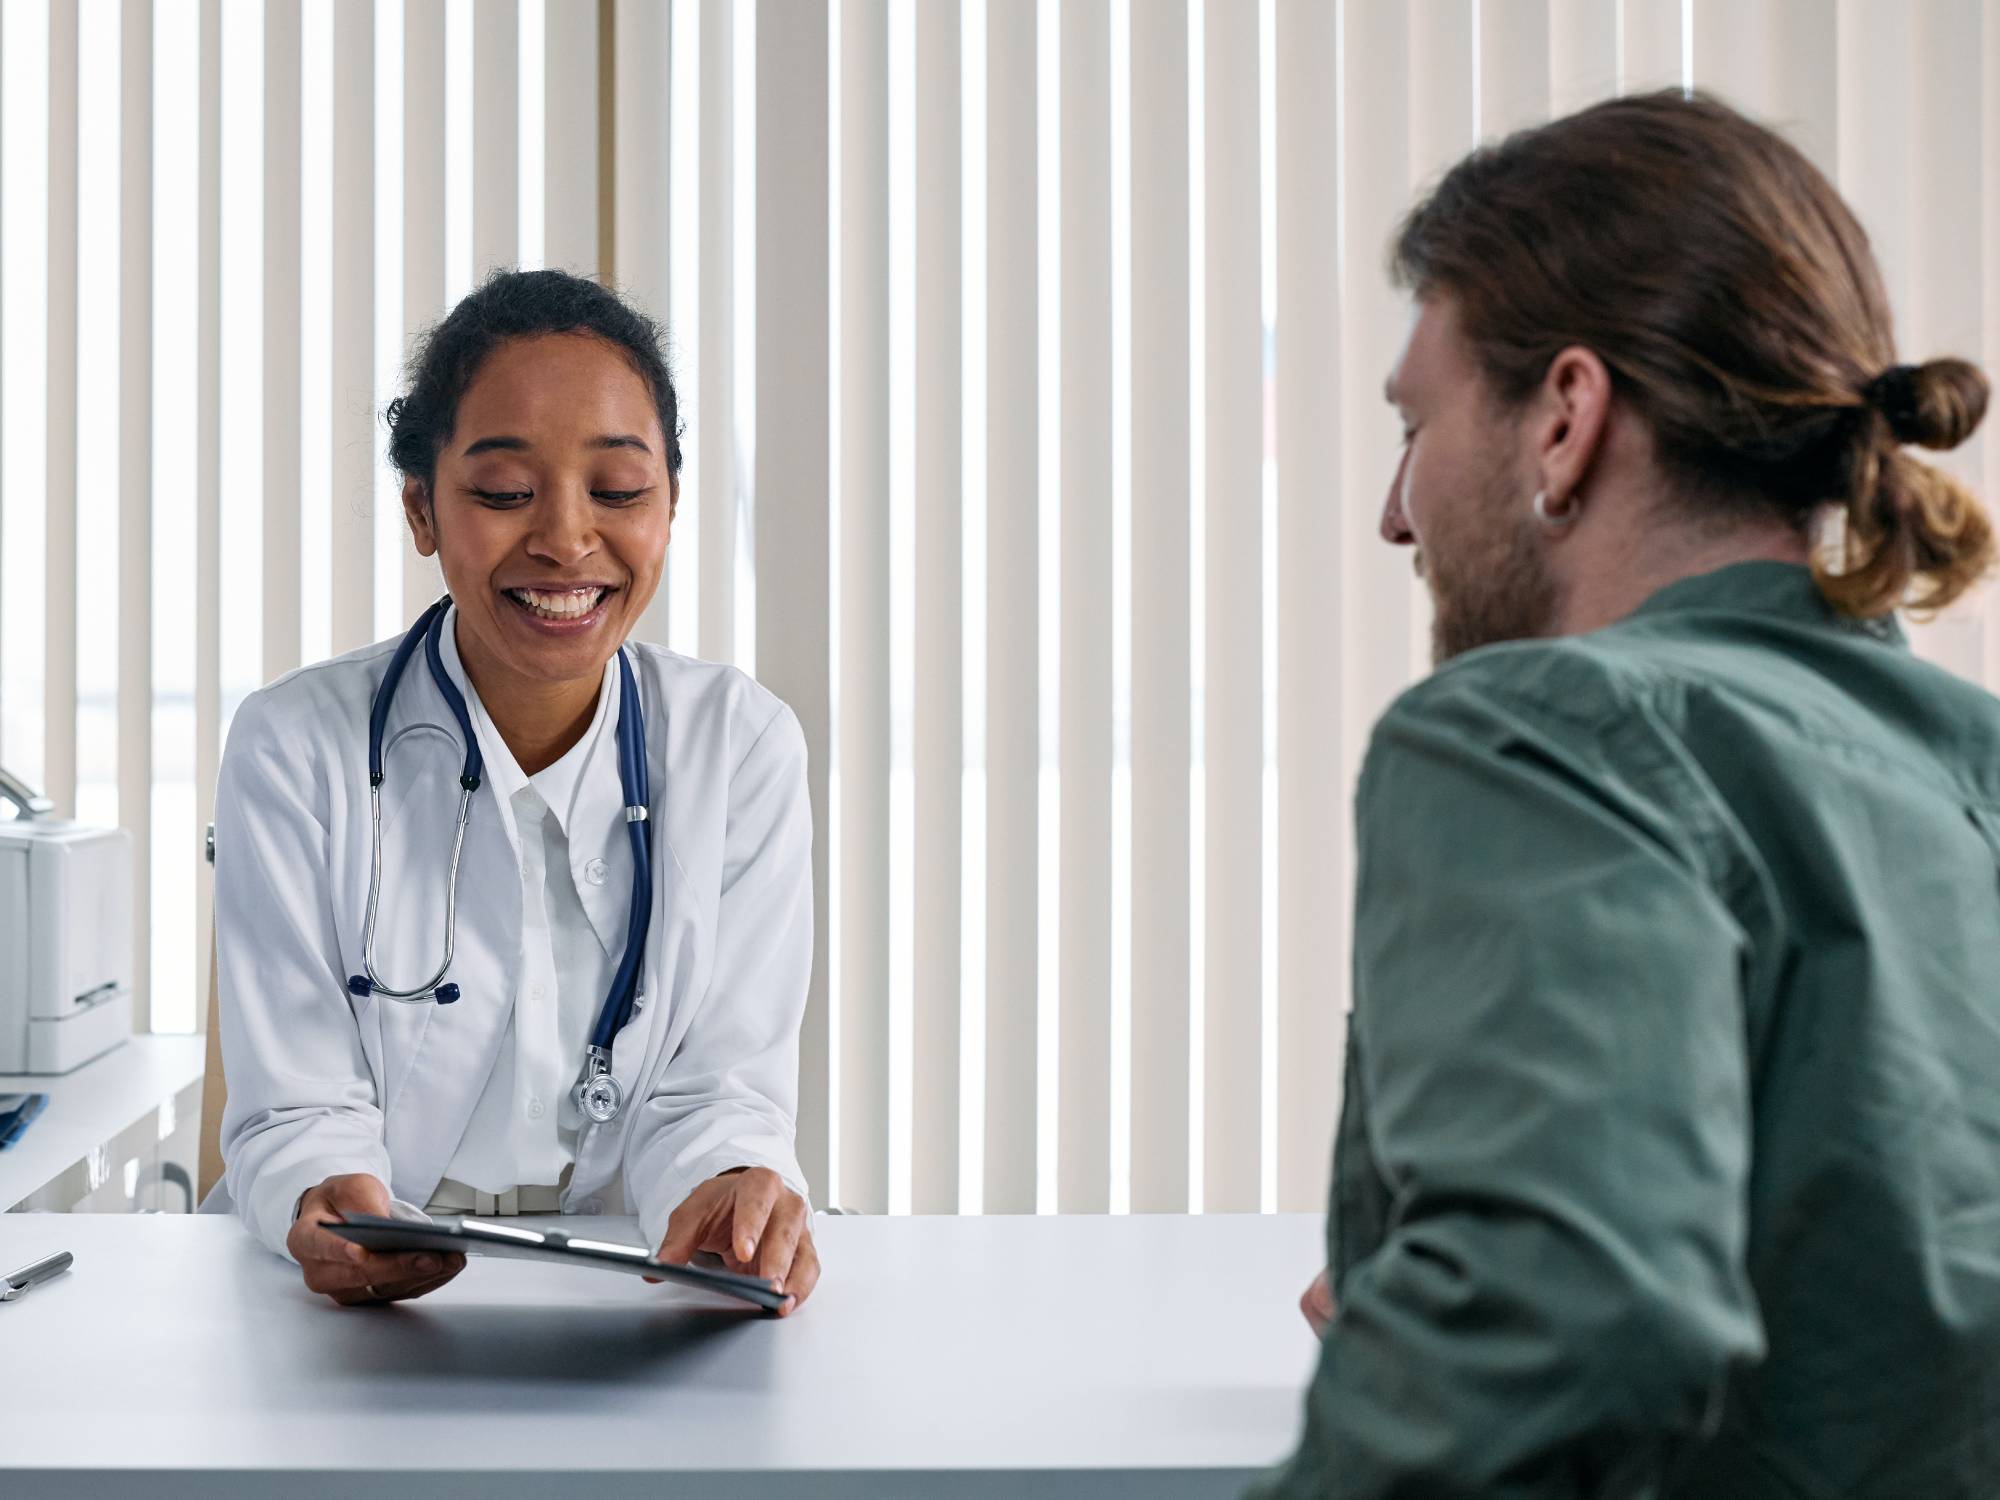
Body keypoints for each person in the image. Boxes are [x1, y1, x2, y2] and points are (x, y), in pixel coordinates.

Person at [1255, 91, 2000, 1497]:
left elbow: (1560, 1333)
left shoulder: (1544, 732)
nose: (1396, 513)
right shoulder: (1968, 765)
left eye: (1417, 421)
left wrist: (1466, 1320)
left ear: (1566, 420)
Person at [211, 270, 820, 1313]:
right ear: (421, 508)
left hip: (634, 1285)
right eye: (501, 493)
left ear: (669, 507)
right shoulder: (294, 745)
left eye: (619, 491)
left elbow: (719, 1089)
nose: (565, 539)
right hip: (347, 1309)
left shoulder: (739, 744)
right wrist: (330, 1200)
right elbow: (296, 1103)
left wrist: (730, 1188)